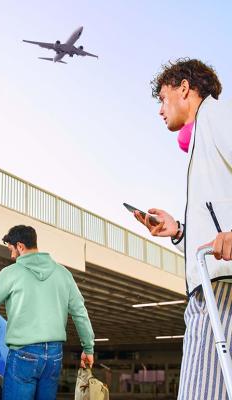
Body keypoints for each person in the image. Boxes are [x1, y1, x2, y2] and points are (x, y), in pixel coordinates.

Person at [134, 58, 232, 399]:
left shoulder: (216, 116)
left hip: (219, 289)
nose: (161, 109)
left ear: (185, 88)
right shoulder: (201, 139)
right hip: (213, 280)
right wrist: (178, 231)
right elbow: (216, 221)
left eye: (163, 98)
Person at [0, 225, 95, 400]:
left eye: (12, 249)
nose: (11, 255)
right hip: (54, 356)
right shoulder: (63, 274)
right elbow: (80, 312)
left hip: (24, 353)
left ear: (20, 246)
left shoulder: (11, 273)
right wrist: (88, 348)